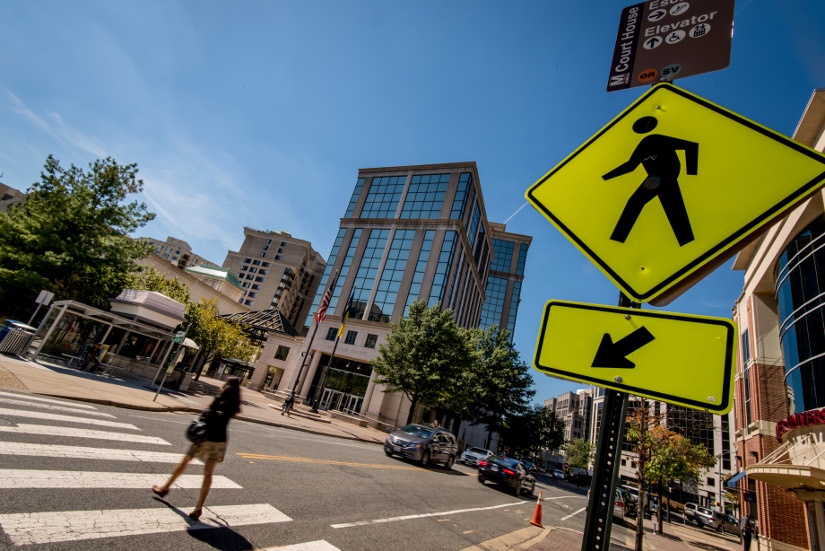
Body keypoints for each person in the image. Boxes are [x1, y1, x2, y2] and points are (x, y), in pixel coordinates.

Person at [152, 377, 241, 521]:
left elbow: (206, 411)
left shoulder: (220, 398)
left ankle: (165, 487)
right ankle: (198, 507)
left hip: (205, 437)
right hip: (220, 441)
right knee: (208, 474)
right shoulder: (235, 404)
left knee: (185, 462)